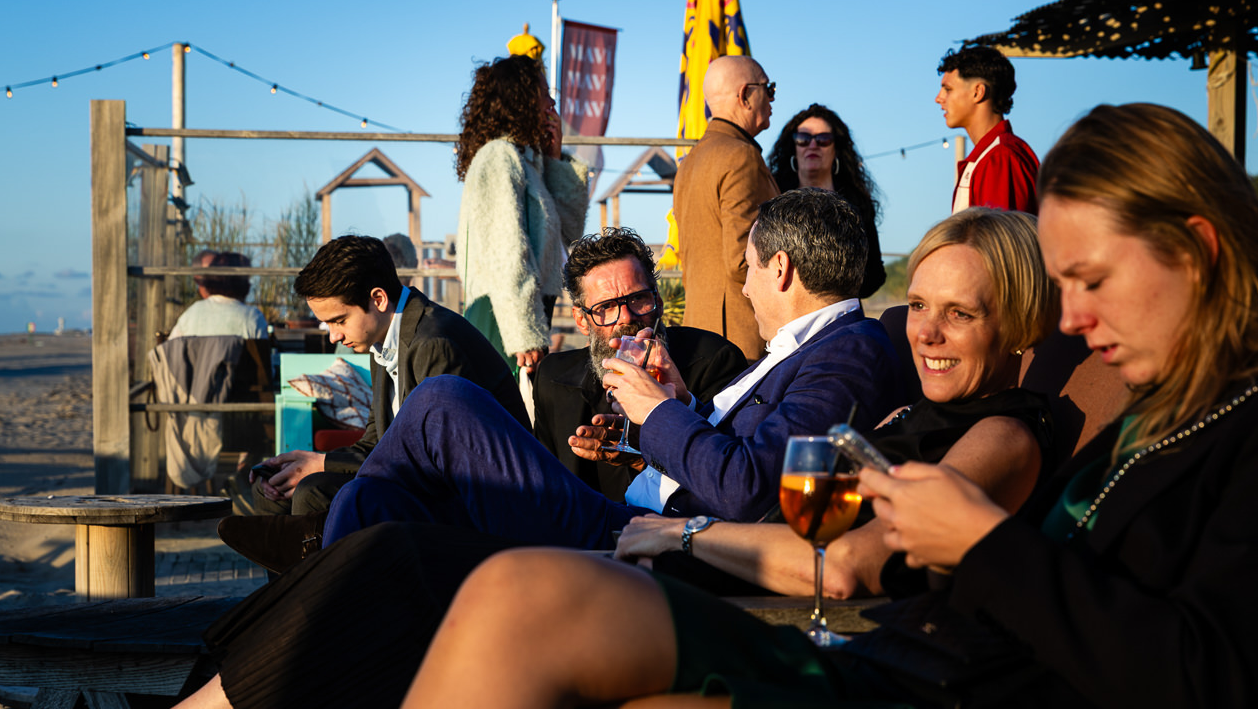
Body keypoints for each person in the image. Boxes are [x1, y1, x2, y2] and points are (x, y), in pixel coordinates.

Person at [0, 105, 1258, 709]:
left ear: (1200, 247)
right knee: (494, 588)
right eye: (1063, 289)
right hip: (889, 671)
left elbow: (1205, 680)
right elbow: (1006, 509)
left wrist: (974, 543)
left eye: (1086, 286)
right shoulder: (1157, 403)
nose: (1073, 323)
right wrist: (979, 489)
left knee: (469, 623)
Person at [319, 187, 899, 548]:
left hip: (648, 537)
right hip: (633, 518)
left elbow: (748, 489)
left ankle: (310, 638)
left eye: (746, 269)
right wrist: (674, 416)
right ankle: (316, 632)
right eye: (605, 308)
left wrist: (659, 409)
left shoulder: (846, 350)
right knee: (370, 504)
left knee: (443, 401)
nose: (743, 289)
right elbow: (747, 461)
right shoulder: (808, 350)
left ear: (782, 268)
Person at [616, 207, 1053, 598]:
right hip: (712, 564)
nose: (925, 333)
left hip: (757, 602)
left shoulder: (1003, 435)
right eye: (918, 305)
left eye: (960, 313)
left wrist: (685, 534)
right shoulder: (922, 413)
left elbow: (842, 566)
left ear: (1019, 322)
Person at [224, 235, 526, 570]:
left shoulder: (433, 343)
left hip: (473, 501)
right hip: (419, 478)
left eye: (338, 320)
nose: (333, 335)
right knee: (274, 491)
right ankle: (290, 611)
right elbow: (377, 439)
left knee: (314, 490)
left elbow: (427, 461)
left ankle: (323, 610)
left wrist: (322, 465)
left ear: (378, 299)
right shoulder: (383, 339)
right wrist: (313, 460)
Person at [533, 228, 750, 502]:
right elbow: (546, 489)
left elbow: (731, 478)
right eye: (606, 307)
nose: (626, 317)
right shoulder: (553, 379)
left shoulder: (714, 360)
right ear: (580, 320)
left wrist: (642, 456)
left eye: (638, 299)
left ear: (657, 301)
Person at [454, 54, 590, 376]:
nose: (552, 101)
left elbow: (567, 235)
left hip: (523, 311)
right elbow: (505, 250)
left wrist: (555, 160)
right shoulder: (498, 156)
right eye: (544, 91)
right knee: (504, 416)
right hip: (503, 315)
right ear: (522, 100)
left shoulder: (528, 162)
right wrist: (523, 332)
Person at [672, 55, 781, 360]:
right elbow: (744, 260)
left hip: (698, 333)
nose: (772, 99)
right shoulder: (740, 156)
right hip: (741, 338)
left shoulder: (690, 161)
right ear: (746, 95)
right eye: (768, 89)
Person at [767, 104, 886, 298]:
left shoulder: (856, 204)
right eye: (803, 139)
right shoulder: (773, 199)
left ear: (836, 148)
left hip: (841, 316)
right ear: (793, 148)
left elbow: (875, 276)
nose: (812, 145)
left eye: (823, 139)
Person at [936, 44, 1040, 214]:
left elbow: (1000, 239)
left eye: (948, 89)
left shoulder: (1000, 158)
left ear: (978, 92)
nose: (938, 98)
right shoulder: (990, 156)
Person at [167, 250, 268, 339]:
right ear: (241, 283)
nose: (250, 284)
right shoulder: (253, 317)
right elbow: (262, 359)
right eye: (247, 279)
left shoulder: (190, 315)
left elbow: (170, 354)